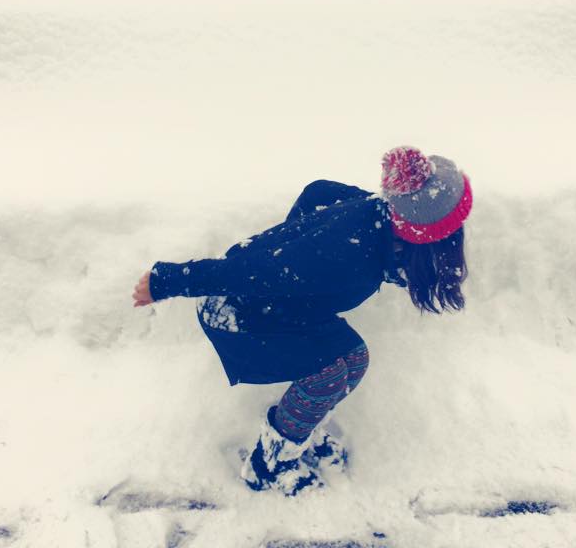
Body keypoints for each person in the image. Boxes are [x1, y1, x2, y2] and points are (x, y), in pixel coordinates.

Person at [132, 146, 472, 496]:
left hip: (284, 309)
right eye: (451, 229)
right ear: (423, 235)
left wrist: (295, 239)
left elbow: (318, 191)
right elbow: (250, 272)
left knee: (354, 360)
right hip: (235, 313)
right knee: (329, 375)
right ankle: (269, 466)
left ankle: (296, 425)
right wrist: (166, 281)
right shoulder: (344, 255)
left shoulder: (377, 213)